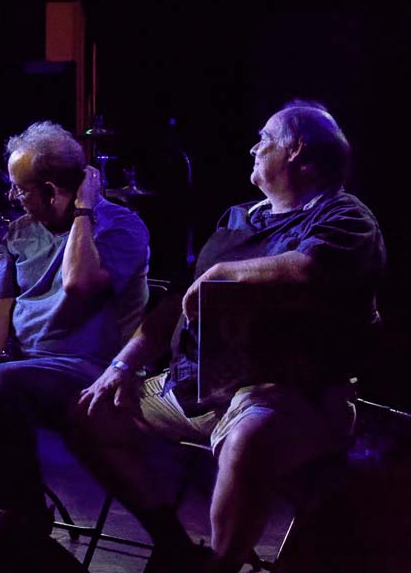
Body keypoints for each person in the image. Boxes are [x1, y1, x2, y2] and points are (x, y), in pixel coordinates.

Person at [70, 100, 386, 573]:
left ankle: (221, 565)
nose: (254, 147)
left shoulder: (346, 218)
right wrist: (122, 366)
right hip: (197, 388)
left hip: (292, 396)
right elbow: (173, 303)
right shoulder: (239, 217)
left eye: (266, 139)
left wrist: (224, 273)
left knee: (248, 436)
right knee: (88, 415)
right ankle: (174, 543)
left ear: (297, 151)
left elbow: (307, 270)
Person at [0, 121, 150, 529]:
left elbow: (79, 285)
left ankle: (19, 520)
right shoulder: (22, 232)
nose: (12, 196)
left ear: (53, 191)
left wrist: (83, 213)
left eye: (20, 188)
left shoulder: (122, 227)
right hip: (22, 366)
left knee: (2, 383)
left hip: (89, 370)